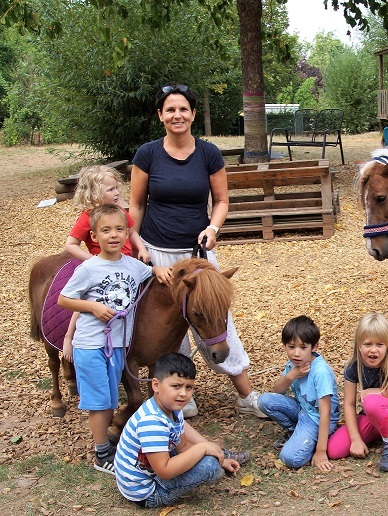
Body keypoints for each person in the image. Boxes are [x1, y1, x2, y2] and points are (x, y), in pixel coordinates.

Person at [129, 83, 265, 419]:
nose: (177, 115)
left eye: (183, 109)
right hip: (157, 254)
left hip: (198, 255)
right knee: (166, 330)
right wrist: (137, 244)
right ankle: (179, 394)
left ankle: (246, 395)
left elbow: (221, 201)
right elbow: (135, 205)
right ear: (160, 115)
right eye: (170, 109)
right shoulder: (147, 154)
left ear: (192, 114)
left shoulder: (208, 153)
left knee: (218, 319)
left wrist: (213, 228)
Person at [58, 203, 171, 475]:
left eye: (120, 229)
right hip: (91, 344)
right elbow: (64, 299)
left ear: (127, 232)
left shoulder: (133, 266)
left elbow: (150, 274)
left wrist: (156, 270)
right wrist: (93, 307)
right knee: (100, 402)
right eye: (106, 230)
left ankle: (109, 447)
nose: (114, 235)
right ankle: (101, 454)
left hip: (118, 345)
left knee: (110, 399)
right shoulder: (89, 268)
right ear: (94, 237)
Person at [114, 353, 245, 508]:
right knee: (211, 467)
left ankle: (221, 455)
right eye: (176, 386)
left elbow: (182, 446)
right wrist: (204, 448)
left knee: (211, 459)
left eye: (188, 387)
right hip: (147, 492)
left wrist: (219, 458)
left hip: (153, 468)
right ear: (155, 385)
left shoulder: (170, 407)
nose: (183, 393)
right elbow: (164, 471)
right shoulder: (152, 421)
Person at [62, 165, 150, 363]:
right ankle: (69, 337)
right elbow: (70, 245)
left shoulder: (119, 212)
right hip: (102, 267)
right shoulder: (87, 218)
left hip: (126, 264)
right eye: (110, 189)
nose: (117, 192)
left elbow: (132, 232)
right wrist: (93, 261)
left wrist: (142, 249)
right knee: (87, 301)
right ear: (94, 193)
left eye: (116, 188)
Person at [328, 313, 388, 472]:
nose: (373, 350)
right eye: (368, 344)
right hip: (370, 417)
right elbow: (348, 404)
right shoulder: (354, 367)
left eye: (380, 345)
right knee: (334, 450)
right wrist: (355, 440)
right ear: (359, 345)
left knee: (371, 400)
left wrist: (384, 393)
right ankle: (379, 435)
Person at [257, 316, 340, 470]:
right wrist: (291, 375)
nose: (296, 353)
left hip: (317, 419)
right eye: (291, 347)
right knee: (264, 401)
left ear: (314, 347)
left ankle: (314, 441)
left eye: (303, 347)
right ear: (284, 346)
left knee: (290, 458)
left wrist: (321, 451)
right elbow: (277, 392)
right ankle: (297, 433)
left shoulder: (320, 371)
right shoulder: (294, 364)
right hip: (303, 410)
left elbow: (326, 412)